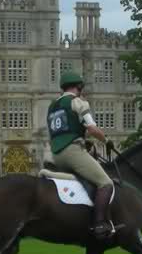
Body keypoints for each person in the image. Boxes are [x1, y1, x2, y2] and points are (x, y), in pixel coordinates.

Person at [46, 71, 116, 240]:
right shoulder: (78, 102)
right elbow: (92, 128)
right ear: (79, 87)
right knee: (106, 183)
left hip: (56, 154)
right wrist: (106, 141)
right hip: (73, 152)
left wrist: (85, 142)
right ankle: (99, 224)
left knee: (85, 181)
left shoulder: (52, 106)